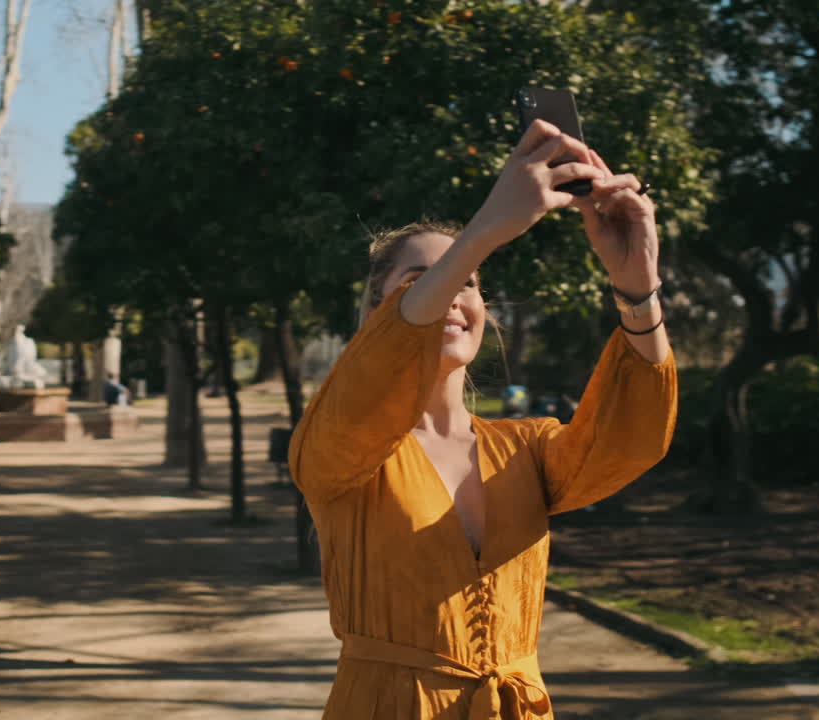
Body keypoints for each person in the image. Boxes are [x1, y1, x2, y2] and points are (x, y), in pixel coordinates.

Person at [288, 119, 678, 719]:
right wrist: (485, 232)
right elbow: (369, 388)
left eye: (467, 283)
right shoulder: (338, 444)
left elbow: (634, 437)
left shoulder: (528, 449)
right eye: (421, 281)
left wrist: (638, 286)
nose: (451, 296)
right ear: (373, 318)